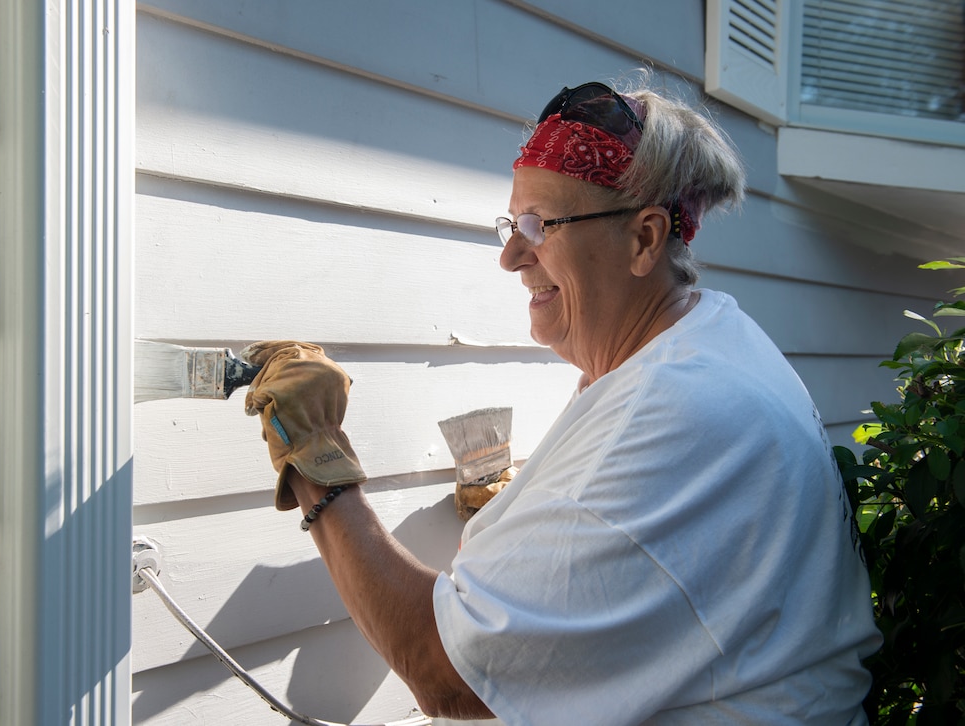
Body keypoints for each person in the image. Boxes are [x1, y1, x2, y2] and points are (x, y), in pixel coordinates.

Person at [242, 79, 882, 725]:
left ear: (644, 239)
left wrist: (315, 454)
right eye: (512, 222)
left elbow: (446, 675)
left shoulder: (678, 407)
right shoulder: (710, 337)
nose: (512, 255)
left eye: (541, 224)